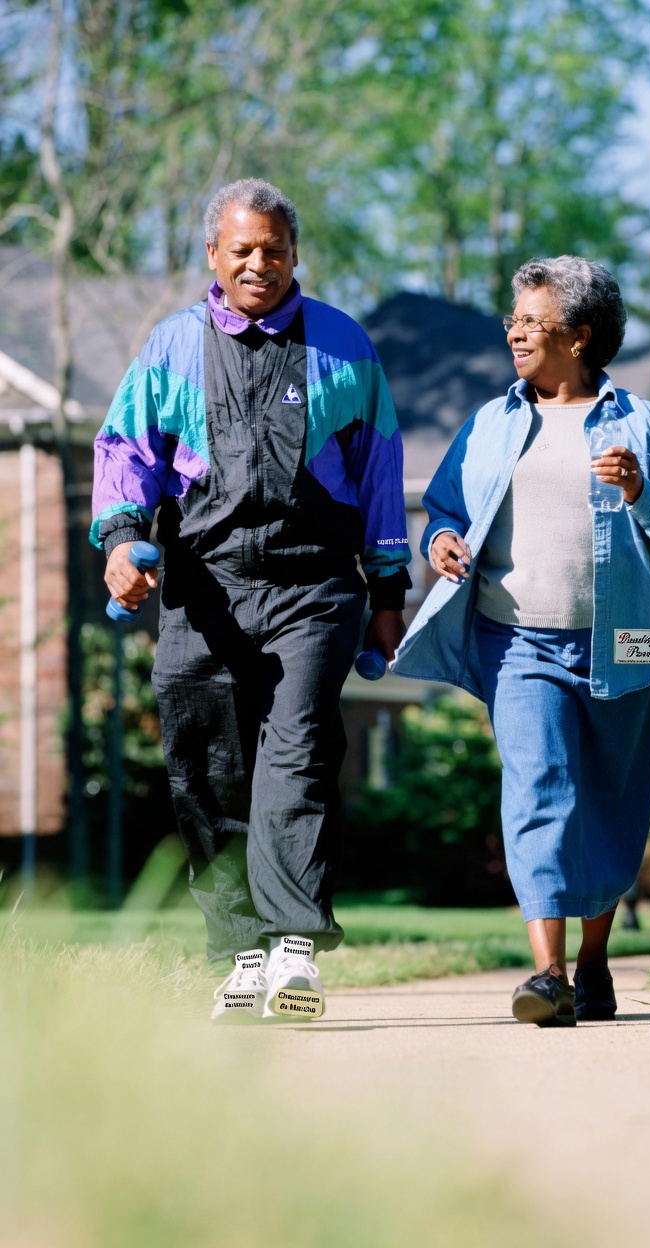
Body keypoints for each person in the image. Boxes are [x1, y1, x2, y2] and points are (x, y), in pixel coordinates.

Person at [91, 178, 411, 1021]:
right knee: (207, 765)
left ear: (295, 253)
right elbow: (127, 451)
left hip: (313, 586)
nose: (260, 263)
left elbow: (380, 471)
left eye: (274, 248)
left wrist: (387, 586)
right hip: (204, 588)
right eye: (243, 250)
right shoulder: (170, 348)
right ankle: (238, 950)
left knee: (298, 750)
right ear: (213, 257)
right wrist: (123, 539)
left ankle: (295, 946)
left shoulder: (344, 346)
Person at [391, 256, 650, 1026]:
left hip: (625, 643)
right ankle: (547, 976)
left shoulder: (645, 425)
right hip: (518, 642)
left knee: (610, 801)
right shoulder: (492, 422)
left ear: (580, 336)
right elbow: (442, 508)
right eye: (514, 319)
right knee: (539, 789)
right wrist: (438, 541)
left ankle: (593, 963)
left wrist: (644, 493)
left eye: (532, 321)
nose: (514, 331)